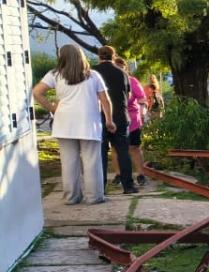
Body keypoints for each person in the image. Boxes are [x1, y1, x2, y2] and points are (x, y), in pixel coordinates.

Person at [30, 44, 117, 204]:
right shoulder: (93, 75)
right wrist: (109, 120)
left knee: (69, 162)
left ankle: (71, 197)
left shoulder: (55, 75)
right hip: (88, 123)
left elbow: (36, 92)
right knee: (92, 161)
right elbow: (105, 100)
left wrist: (52, 108)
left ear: (62, 57)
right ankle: (94, 196)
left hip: (64, 123)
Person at [94, 45, 137, 194]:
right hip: (120, 115)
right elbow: (128, 95)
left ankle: (101, 187)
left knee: (100, 153)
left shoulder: (92, 72)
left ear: (99, 56)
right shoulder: (122, 73)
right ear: (114, 56)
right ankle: (128, 186)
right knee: (123, 152)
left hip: (99, 117)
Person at [114, 57, 149, 186]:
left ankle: (141, 174)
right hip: (115, 119)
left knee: (134, 147)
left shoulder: (132, 81)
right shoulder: (108, 82)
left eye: (121, 68)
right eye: (116, 68)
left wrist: (143, 111)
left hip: (133, 119)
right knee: (116, 148)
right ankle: (118, 175)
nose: (119, 70)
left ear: (125, 69)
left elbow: (142, 99)